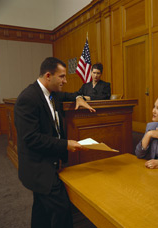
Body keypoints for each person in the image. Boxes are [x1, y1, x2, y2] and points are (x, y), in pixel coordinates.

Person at [14, 57, 95, 228]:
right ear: (48, 76)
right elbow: (31, 138)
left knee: (41, 210)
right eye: (62, 77)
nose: (65, 81)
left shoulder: (54, 94)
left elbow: (72, 95)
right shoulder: (28, 98)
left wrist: (79, 98)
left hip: (50, 161)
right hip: (38, 167)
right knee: (62, 210)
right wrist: (65, 144)